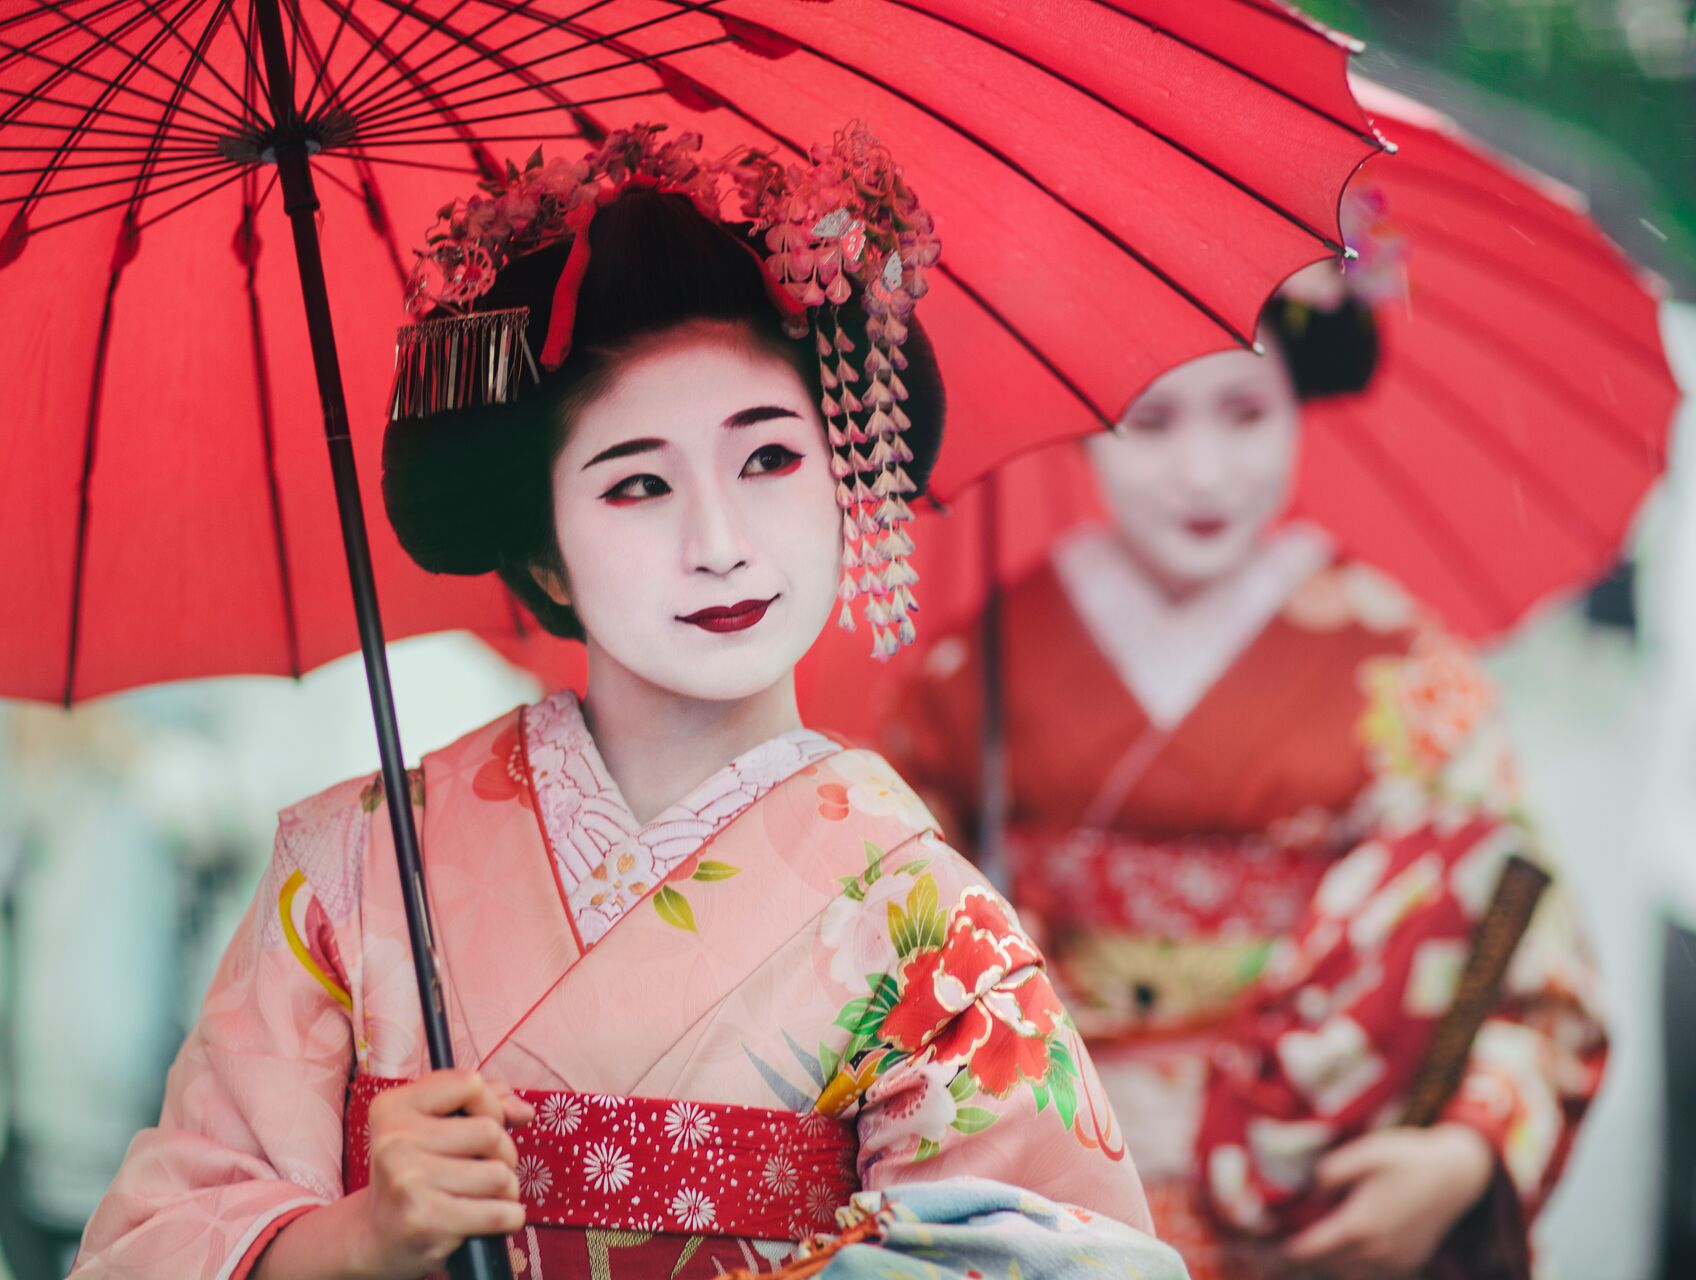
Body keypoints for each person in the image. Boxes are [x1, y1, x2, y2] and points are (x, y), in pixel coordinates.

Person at [71, 125, 1178, 1279]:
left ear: (848, 481)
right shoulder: (353, 871)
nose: (719, 543)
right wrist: (358, 1235)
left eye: (769, 460)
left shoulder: (931, 928)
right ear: (544, 553)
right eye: (638, 483)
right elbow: (142, 1248)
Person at [879, 273, 1607, 1278]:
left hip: (1313, 1169)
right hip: (1044, 1171)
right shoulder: (979, 668)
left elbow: (1523, 932)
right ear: (1084, 421)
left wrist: (1462, 1150)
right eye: (1154, 420)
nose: (1204, 469)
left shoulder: (1395, 662)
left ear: (1301, 405)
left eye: (1245, 411)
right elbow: (886, 935)